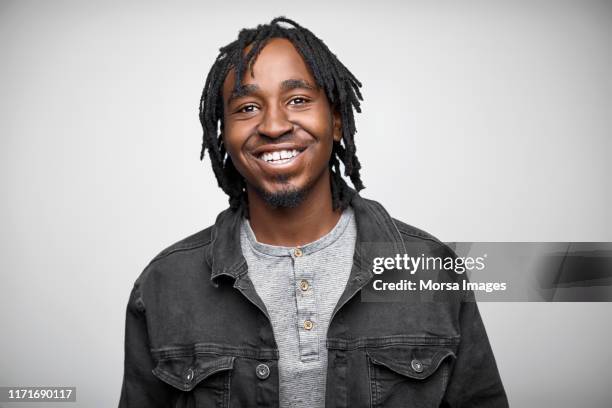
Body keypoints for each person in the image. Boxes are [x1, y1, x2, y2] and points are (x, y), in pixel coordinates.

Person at [119, 16, 508, 407]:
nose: (273, 125)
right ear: (224, 136)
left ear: (336, 120)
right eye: (248, 107)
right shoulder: (164, 285)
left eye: (298, 100)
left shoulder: (430, 267)